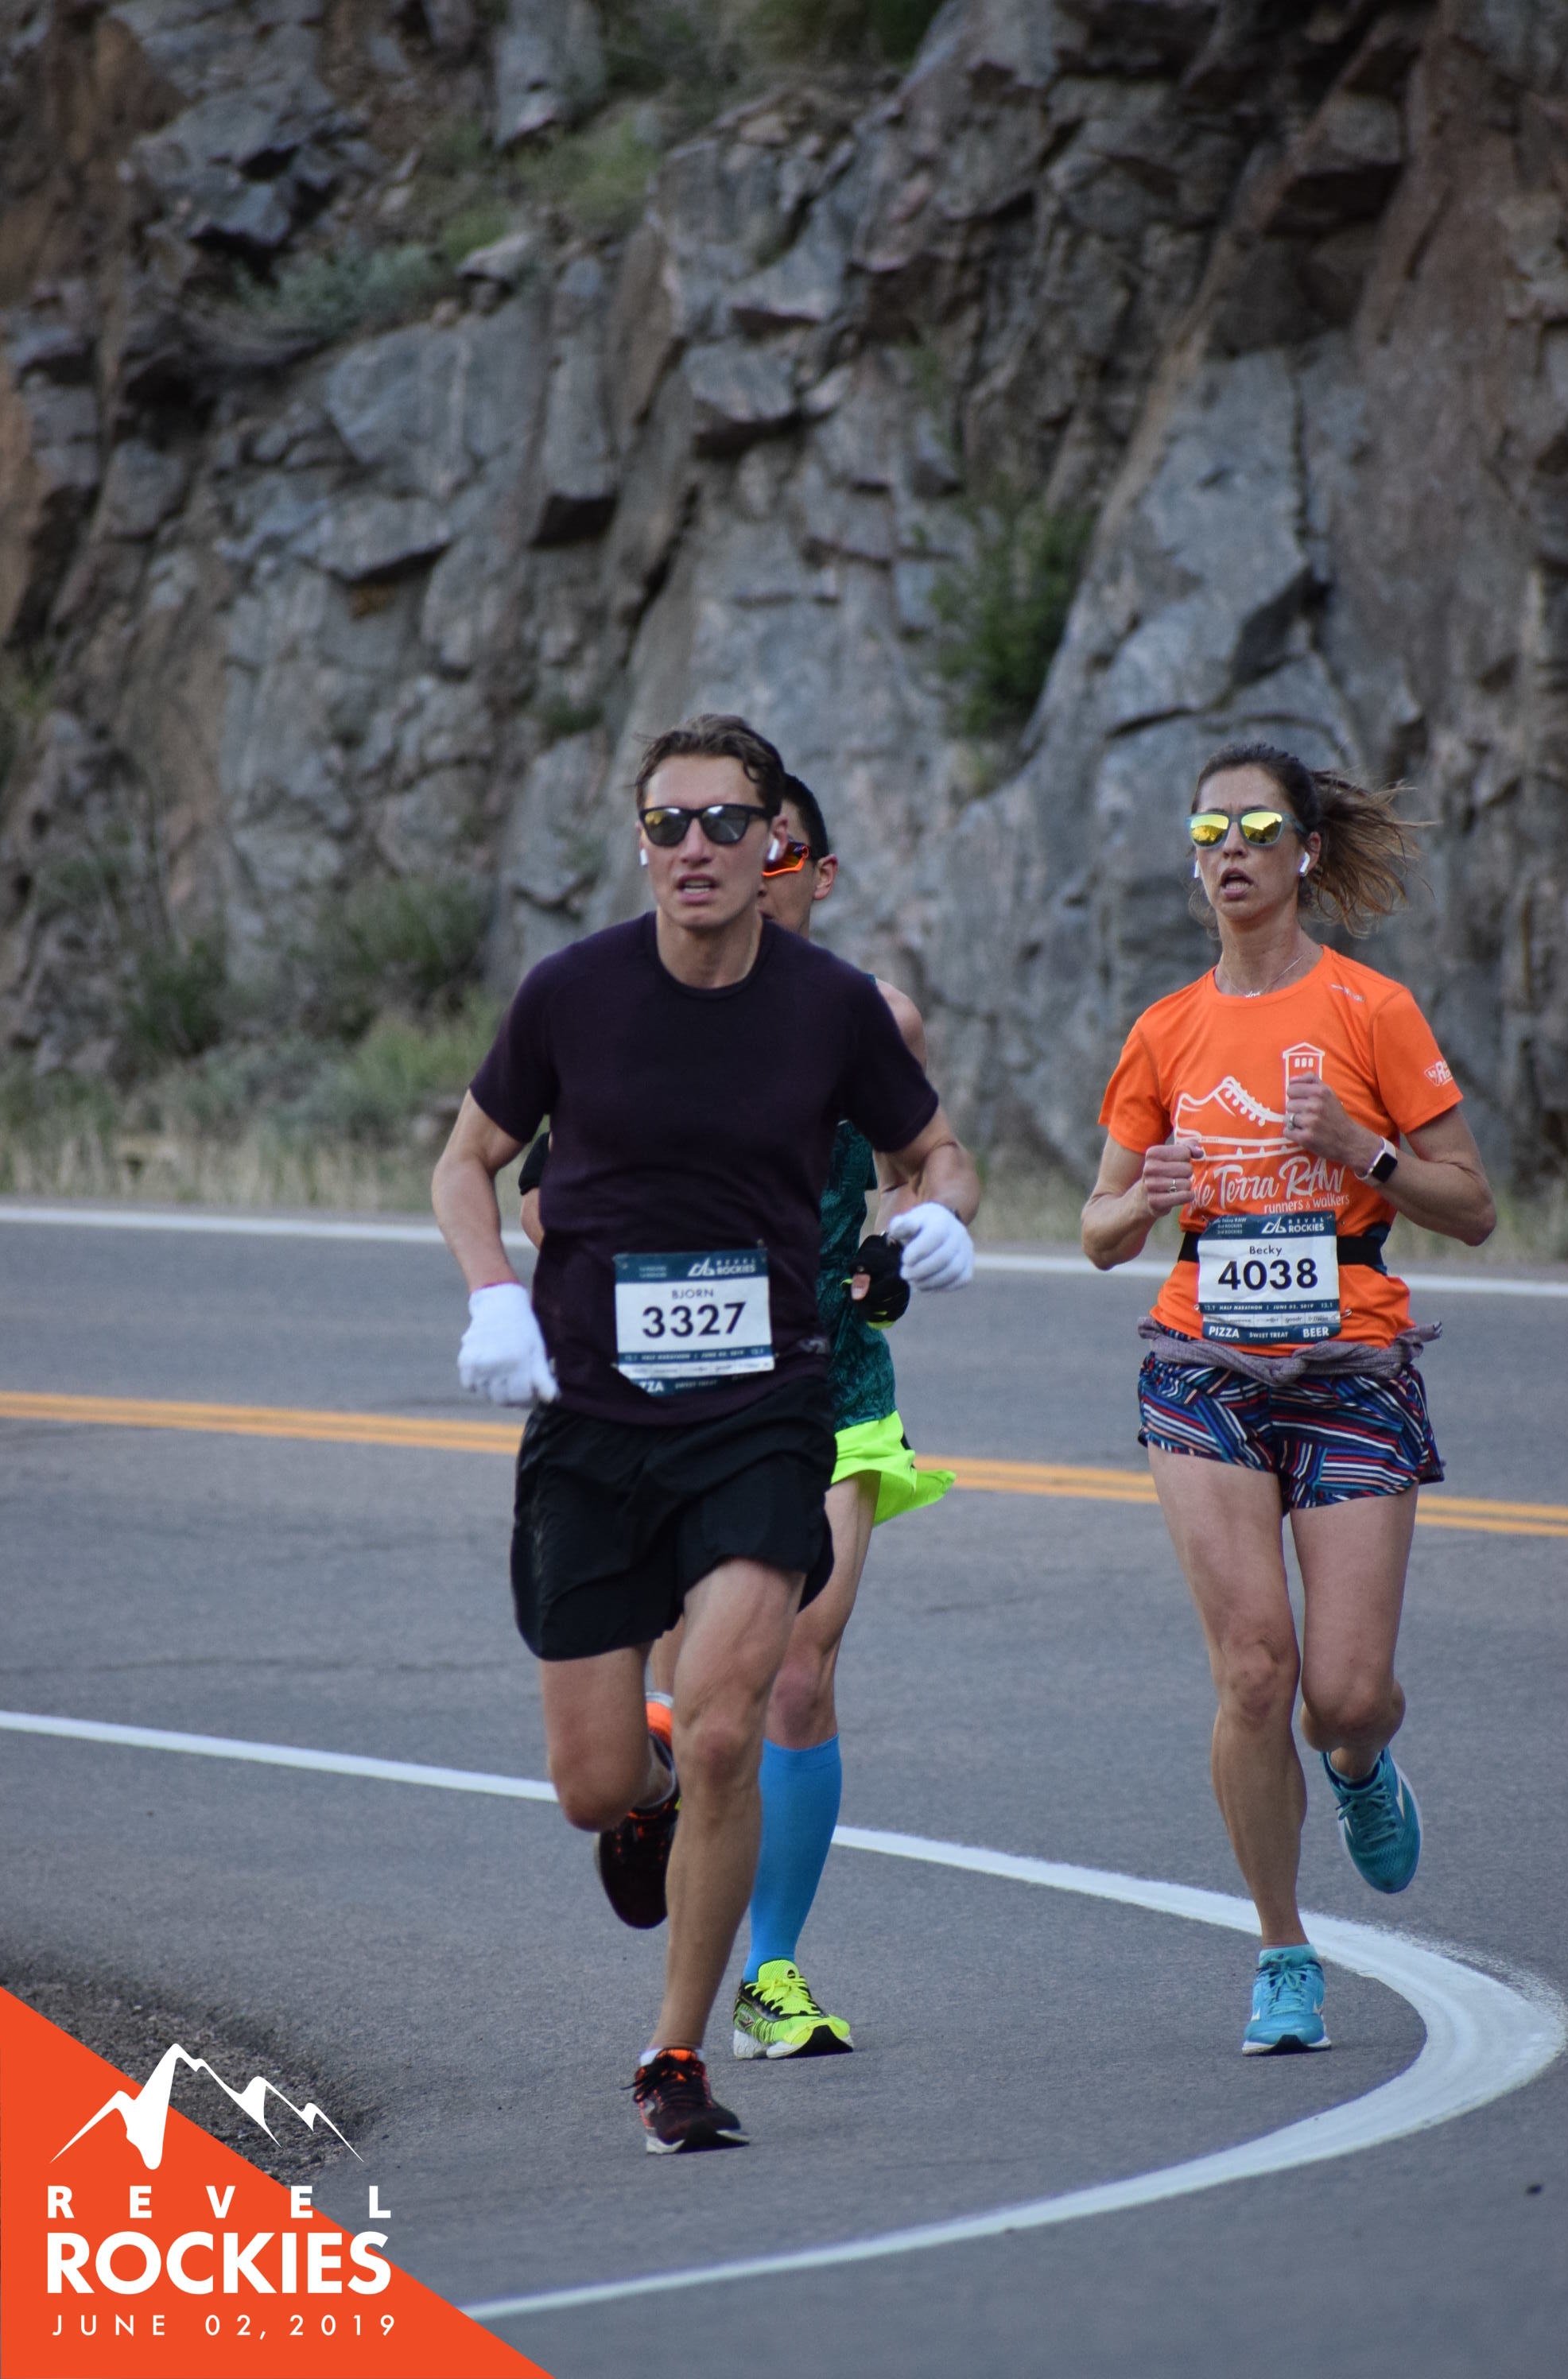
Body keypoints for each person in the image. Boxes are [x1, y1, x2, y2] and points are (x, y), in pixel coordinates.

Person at [433, 713, 980, 2152]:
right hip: (594, 1426)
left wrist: (940, 1222)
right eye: (667, 824)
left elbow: (936, 1151)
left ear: (772, 843)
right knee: (593, 1784)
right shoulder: (572, 994)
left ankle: (673, 2053)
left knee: (736, 1720)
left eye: (727, 824)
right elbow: (466, 1161)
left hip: (761, 1414)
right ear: (641, 845)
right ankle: (650, 1799)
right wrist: (493, 1293)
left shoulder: (832, 1008)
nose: (696, 848)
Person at [1081, 741, 1495, 2055]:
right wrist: (1139, 1204)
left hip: (1352, 1365)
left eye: (1259, 828)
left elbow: (1474, 1207)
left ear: (1305, 852)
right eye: (1210, 831)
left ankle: (1360, 1766)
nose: (1233, 851)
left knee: (1344, 1695)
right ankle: (1283, 1951)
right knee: (1255, 1669)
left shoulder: (1373, 1010)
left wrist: (1361, 1148)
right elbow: (1098, 1226)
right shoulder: (1166, 1031)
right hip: (1202, 1362)